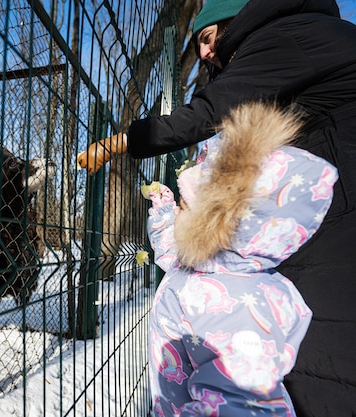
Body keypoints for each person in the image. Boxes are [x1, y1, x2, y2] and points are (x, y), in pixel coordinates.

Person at [77, 0, 356, 414]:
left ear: (235, 20)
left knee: (323, 357)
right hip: (329, 203)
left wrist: (118, 143)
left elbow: (205, 113)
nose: (205, 53)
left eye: (208, 38)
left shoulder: (286, 34)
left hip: (338, 211)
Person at [145, 102, 337, 416]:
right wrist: (165, 217)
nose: (179, 210)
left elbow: (237, 406)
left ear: (214, 225)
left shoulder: (242, 307)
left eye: (184, 206)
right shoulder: (204, 268)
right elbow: (171, 255)